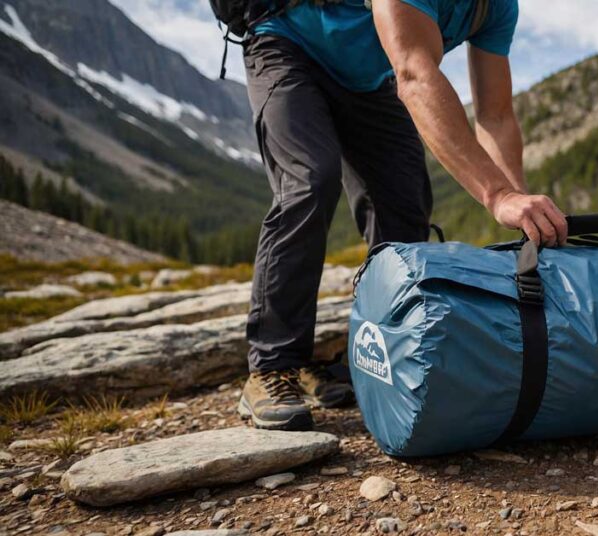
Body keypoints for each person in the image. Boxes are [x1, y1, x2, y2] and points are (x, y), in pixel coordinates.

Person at [237, 0, 568, 431]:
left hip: (367, 82)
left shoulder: (497, 9)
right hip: (288, 46)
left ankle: (368, 354)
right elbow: (413, 73)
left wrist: (522, 208)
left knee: (405, 203)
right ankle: (272, 367)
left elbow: (496, 116)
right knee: (309, 181)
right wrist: (497, 194)